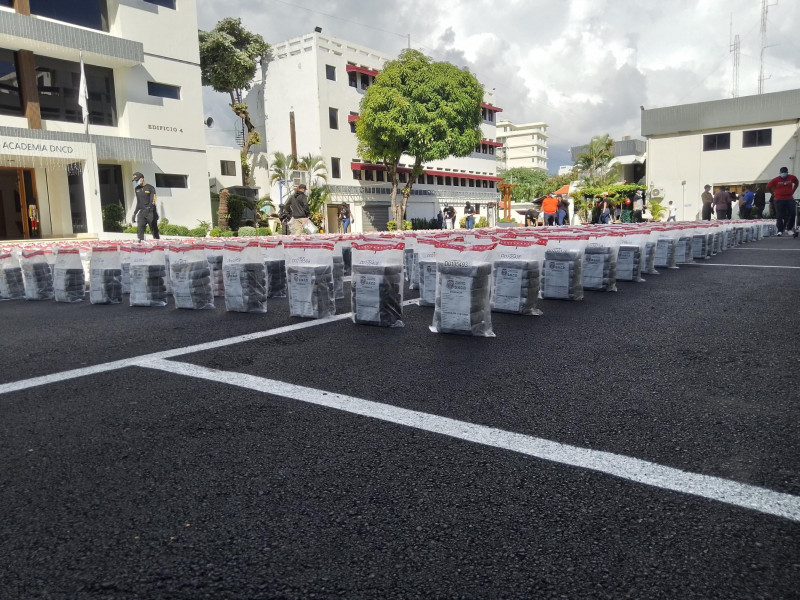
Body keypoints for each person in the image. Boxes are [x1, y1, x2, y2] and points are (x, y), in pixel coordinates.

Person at [766, 166, 798, 236]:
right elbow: (768, 186)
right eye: (782, 173)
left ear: (787, 172)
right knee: (779, 215)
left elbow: (796, 182)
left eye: (785, 173)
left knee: (793, 213)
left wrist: (793, 191)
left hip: (789, 198)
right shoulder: (776, 180)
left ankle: (789, 228)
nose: (783, 174)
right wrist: (772, 193)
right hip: (778, 199)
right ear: (780, 173)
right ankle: (780, 230)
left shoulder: (792, 177)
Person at [132, 172, 159, 242]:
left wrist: (149, 208)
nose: (136, 182)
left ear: (142, 179)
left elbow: (153, 200)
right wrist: (134, 213)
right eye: (135, 181)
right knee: (140, 229)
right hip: (142, 212)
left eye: (137, 180)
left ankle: (157, 243)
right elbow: (138, 202)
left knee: (154, 229)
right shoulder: (137, 189)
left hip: (150, 211)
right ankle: (141, 243)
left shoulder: (150, 188)